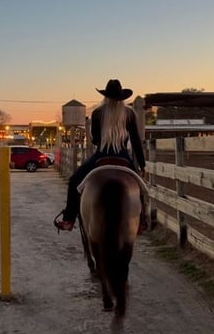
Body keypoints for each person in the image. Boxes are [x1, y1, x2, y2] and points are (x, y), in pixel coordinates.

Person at [54, 79, 147, 232]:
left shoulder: (98, 113)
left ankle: (69, 219)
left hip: (101, 155)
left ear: (106, 96)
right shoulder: (129, 113)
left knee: (74, 181)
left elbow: (96, 140)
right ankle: (141, 222)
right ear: (121, 97)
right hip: (123, 156)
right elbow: (136, 141)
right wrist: (142, 164)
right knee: (138, 187)